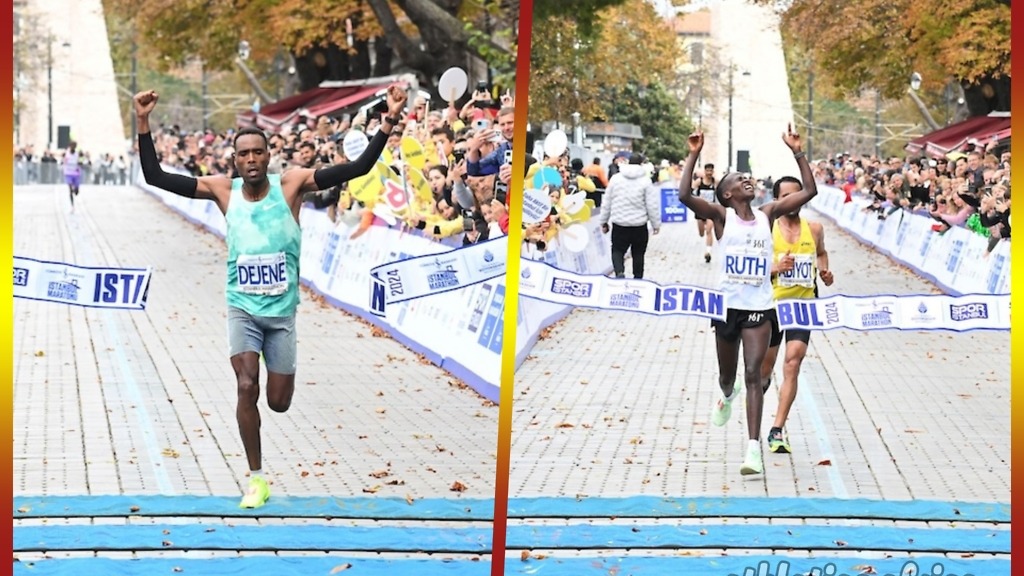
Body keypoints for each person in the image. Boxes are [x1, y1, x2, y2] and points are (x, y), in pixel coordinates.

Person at [132, 84, 407, 508]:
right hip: (242, 308)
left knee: (278, 402)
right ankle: (256, 478)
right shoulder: (222, 191)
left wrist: (387, 121)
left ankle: (272, 411)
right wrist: (143, 122)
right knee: (246, 386)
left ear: (268, 156)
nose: (251, 160)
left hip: (281, 315)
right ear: (235, 161)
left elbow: (356, 168)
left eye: (258, 153)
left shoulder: (292, 185)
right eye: (243, 155)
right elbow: (156, 176)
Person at [677, 125, 817, 476]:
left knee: (754, 373)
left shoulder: (767, 213)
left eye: (748, 177)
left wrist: (798, 152)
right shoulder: (721, 217)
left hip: (759, 308)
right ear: (726, 194)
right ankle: (726, 395)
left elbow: (810, 191)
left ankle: (753, 449)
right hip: (727, 308)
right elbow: (683, 197)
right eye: (740, 180)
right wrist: (694, 153)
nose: (748, 180)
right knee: (729, 377)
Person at [758, 176, 834, 454]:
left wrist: (824, 271)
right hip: (772, 305)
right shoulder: (766, 229)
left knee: (793, 362)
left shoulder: (814, 229)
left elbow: (822, 254)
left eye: (796, 195)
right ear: (777, 199)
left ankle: (777, 429)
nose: (791, 201)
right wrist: (776, 268)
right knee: (763, 371)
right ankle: (753, 401)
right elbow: (750, 268)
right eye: (785, 196)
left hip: (803, 306)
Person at [599, 152, 661, 279]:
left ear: (627, 162)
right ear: (641, 164)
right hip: (639, 225)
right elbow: (651, 205)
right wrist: (656, 225)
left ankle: (620, 272)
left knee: (617, 250)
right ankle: (637, 279)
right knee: (638, 253)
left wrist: (603, 221)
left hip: (619, 224)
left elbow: (607, 202)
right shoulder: (646, 181)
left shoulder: (615, 179)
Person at [692, 163, 717, 262]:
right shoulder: (699, 182)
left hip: (711, 209)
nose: (709, 173)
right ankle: (703, 233)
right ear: (704, 171)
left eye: (711, 171)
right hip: (700, 209)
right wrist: (697, 199)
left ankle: (708, 252)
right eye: (707, 171)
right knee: (701, 233)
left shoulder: (715, 182)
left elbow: (720, 192)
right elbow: (690, 192)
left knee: (709, 231)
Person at [63, 141, 82, 212]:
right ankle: (72, 206)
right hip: (68, 173)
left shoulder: (77, 154)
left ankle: (75, 189)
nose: (73, 148)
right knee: (70, 189)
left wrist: (80, 162)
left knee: (76, 192)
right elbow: (64, 161)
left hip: (76, 173)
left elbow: (81, 159)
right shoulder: (67, 154)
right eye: (72, 146)